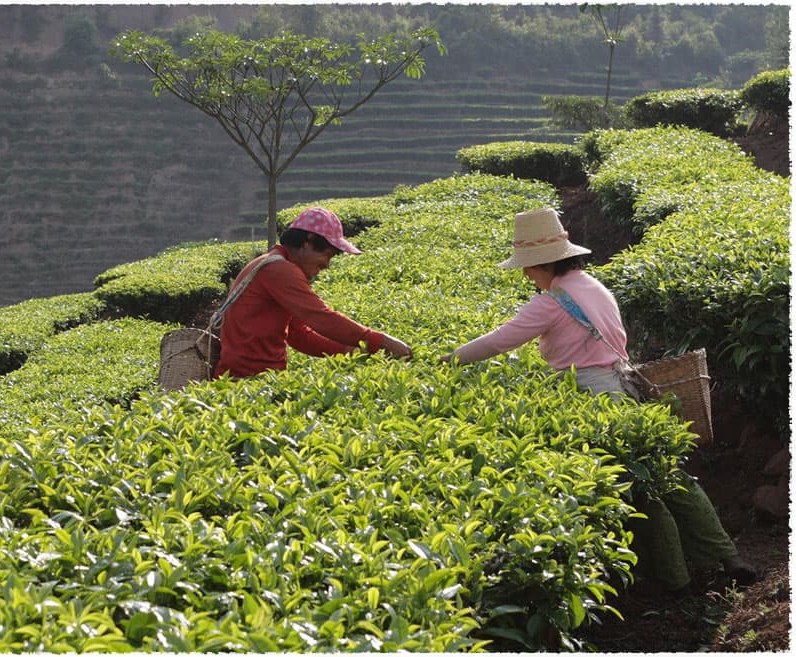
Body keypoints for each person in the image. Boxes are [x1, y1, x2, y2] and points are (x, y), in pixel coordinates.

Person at [440, 207, 756, 593]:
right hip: (625, 387)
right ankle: (727, 556)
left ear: (544, 262)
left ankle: (675, 581)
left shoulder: (552, 302)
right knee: (669, 476)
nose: (525, 274)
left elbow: (499, 340)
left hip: (595, 396)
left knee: (638, 486)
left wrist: (448, 359)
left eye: (527, 266)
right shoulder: (593, 286)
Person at [214, 206, 412, 378]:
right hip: (245, 379)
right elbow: (322, 318)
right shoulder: (281, 271)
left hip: (254, 376)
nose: (326, 265)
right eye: (327, 255)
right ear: (307, 242)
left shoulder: (274, 264)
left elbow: (299, 335)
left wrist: (354, 350)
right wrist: (381, 341)